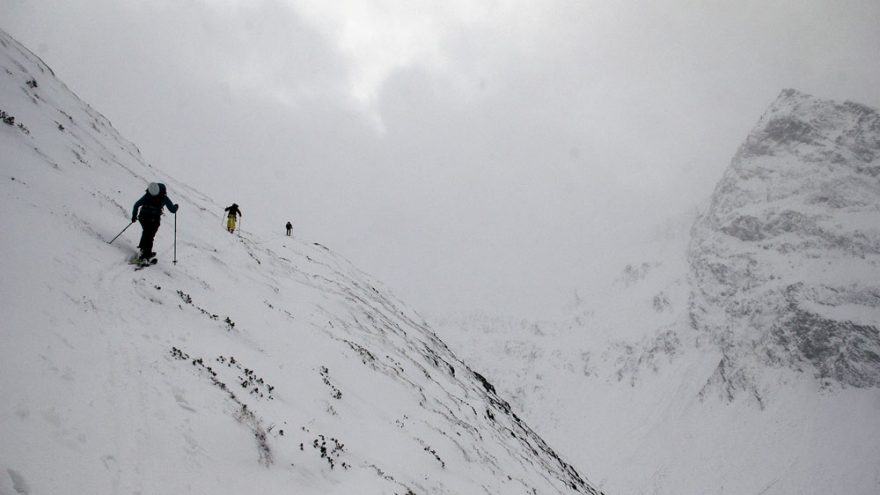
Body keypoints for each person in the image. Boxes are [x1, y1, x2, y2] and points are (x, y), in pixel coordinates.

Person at [131, 182, 178, 261]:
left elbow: (136, 204)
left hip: (143, 218)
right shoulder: (164, 197)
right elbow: (172, 210)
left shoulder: (147, 195)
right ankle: (146, 254)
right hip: (153, 220)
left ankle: (143, 249)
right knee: (150, 235)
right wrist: (176, 207)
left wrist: (134, 216)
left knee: (146, 232)